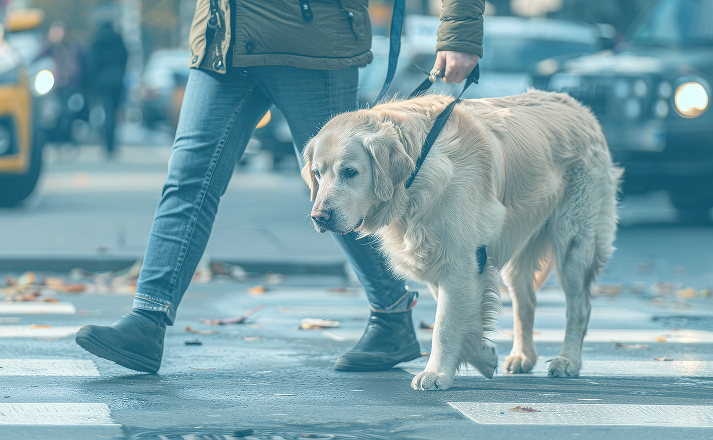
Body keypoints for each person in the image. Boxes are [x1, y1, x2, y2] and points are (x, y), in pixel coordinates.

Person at [76, 0, 484, 374]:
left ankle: (392, 314)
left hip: (310, 41)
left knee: (352, 188)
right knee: (187, 180)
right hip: (223, 40)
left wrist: (459, 34)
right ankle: (148, 320)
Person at [35, 21, 86, 143]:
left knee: (68, 110)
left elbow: (82, 62)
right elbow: (39, 56)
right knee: (60, 110)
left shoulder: (74, 46)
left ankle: (66, 135)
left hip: (72, 83)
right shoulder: (52, 46)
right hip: (60, 83)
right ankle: (62, 136)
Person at [86, 20, 129, 159]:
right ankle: (112, 144)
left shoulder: (97, 41)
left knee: (107, 112)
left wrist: (93, 82)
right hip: (117, 81)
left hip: (103, 83)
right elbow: (125, 57)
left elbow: (91, 63)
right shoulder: (118, 40)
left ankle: (107, 145)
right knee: (114, 113)